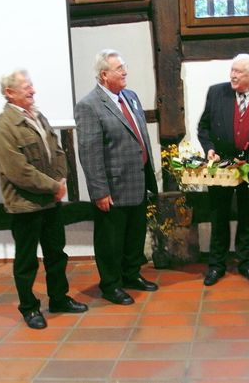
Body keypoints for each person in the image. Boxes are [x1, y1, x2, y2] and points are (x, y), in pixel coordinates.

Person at [0, 70, 88, 329]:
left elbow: (57, 151)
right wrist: (53, 187)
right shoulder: (3, 128)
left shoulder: (38, 116)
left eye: (31, 85)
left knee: (56, 254)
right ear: (9, 93)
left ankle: (59, 299)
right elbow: (18, 171)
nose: (32, 90)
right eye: (25, 87)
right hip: (25, 206)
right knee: (26, 261)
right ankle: (29, 308)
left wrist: (61, 181)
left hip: (49, 201)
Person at [75, 49, 159, 305]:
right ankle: (111, 285)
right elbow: (90, 153)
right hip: (112, 187)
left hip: (138, 181)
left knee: (135, 235)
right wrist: (99, 191)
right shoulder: (89, 106)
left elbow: (139, 137)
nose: (125, 72)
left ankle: (131, 275)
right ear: (104, 74)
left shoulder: (130, 97)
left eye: (124, 67)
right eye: (119, 68)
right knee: (110, 241)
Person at [198, 53, 249, 286]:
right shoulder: (216, 92)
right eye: (232, 70)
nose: (232, 75)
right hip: (222, 167)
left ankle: (246, 263)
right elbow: (204, 128)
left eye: (239, 72)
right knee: (218, 215)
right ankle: (216, 265)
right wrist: (209, 149)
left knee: (248, 216)